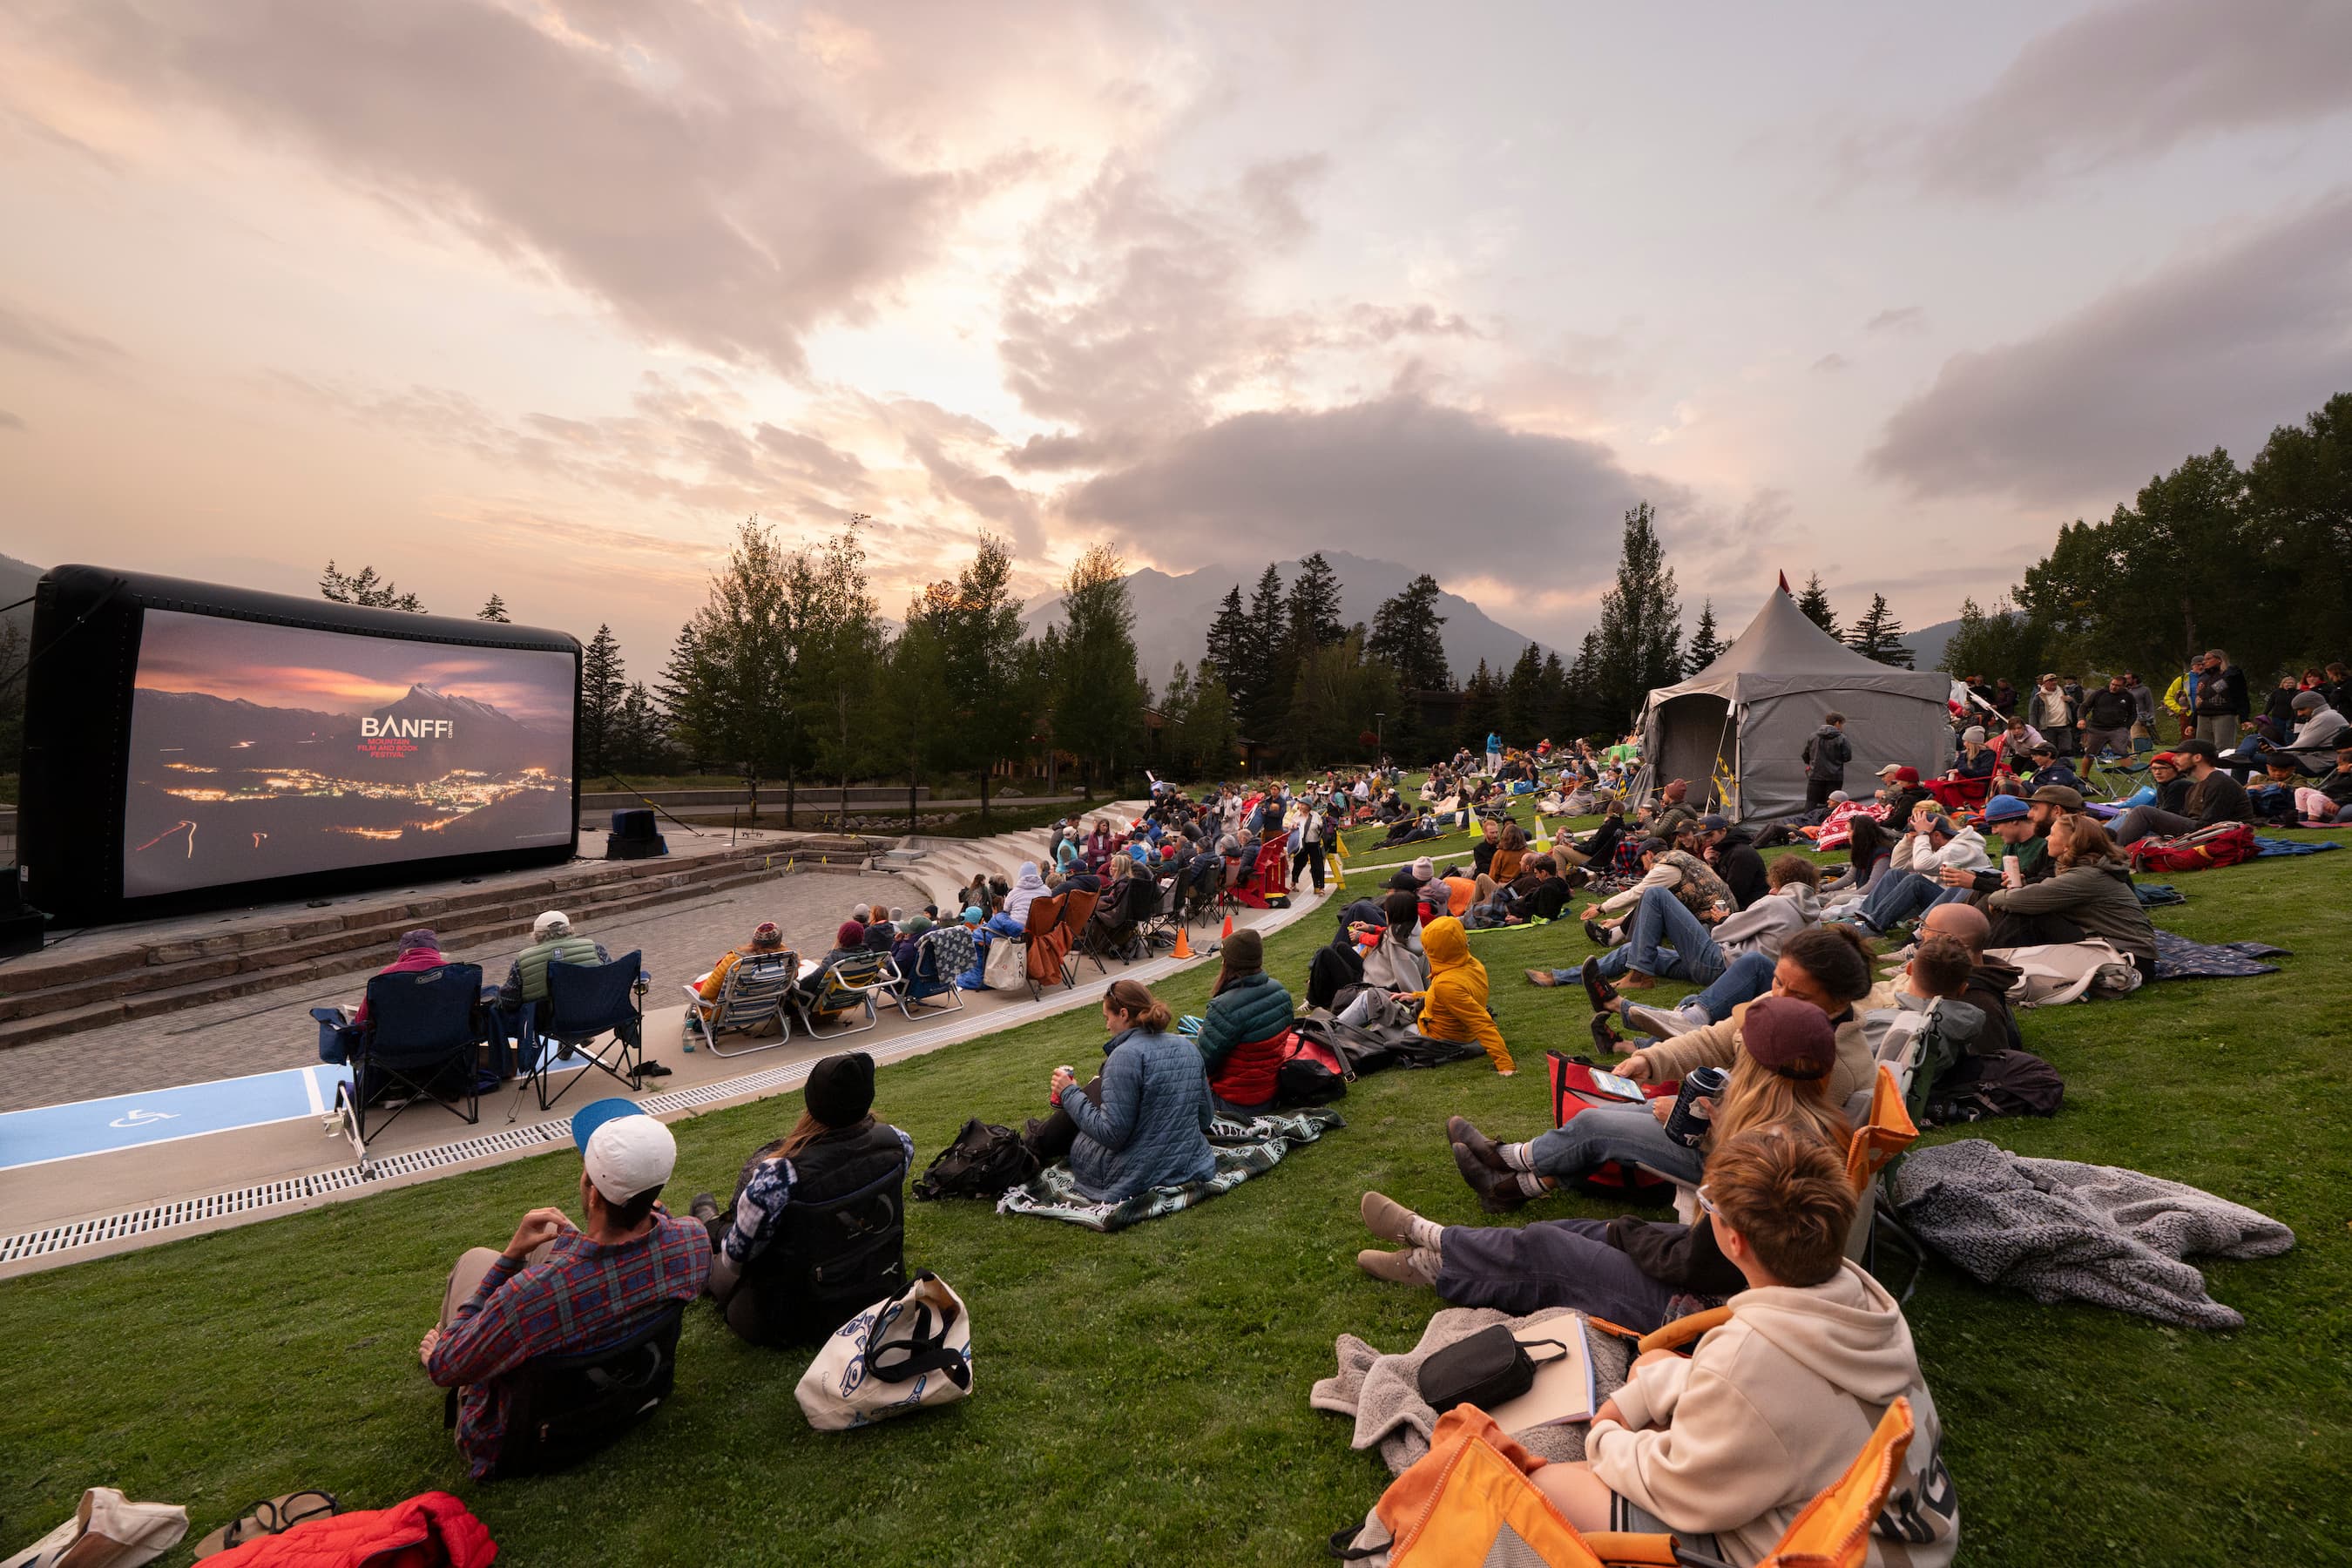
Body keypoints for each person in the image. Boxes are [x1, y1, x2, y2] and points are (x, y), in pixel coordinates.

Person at [1526, 1128, 1957, 1565]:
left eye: (1709, 1201)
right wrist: (1642, 1392)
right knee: (1652, 1366)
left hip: (1825, 1550)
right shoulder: (1858, 1298)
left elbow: (1680, 1486)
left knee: (1544, 1487)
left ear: (1735, 1240)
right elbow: (1750, 1389)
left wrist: (1605, 1438)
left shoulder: (1747, 1359)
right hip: (1891, 1525)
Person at [1362, 996, 1848, 1315]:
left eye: (1741, 1054)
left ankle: (1433, 1252)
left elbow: (1699, 1264)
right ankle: (1474, 1212)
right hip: (1728, 1274)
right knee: (1572, 1231)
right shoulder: (1802, 1124)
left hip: (1708, 1308)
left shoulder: (1768, 1157)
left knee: (1551, 1251)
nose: (1731, 1055)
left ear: (1757, 1072)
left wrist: (1629, 1231)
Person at [1450, 926, 1889, 1206]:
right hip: (1715, 1120)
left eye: (1798, 994)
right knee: (1617, 1114)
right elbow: (1716, 1038)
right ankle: (1512, 1188)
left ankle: (1506, 1159)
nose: (1776, 996)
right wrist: (1649, 1059)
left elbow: (1779, 1154)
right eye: (1777, 981)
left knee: (1595, 1126)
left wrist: (1697, 1128)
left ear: (1838, 1003)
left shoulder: (1832, 1063)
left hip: (1735, 1170)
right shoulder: (1778, 1009)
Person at [421, 1098, 708, 1478]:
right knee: (554, 1242)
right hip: (632, 1397)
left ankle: (456, 1371)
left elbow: (446, 1367)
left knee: (476, 1259)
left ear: (592, 1193)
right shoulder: (693, 1241)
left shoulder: (530, 1296)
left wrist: (507, 1259)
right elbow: (660, 1231)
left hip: (521, 1441)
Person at [693, 1052, 911, 1345]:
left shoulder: (780, 1174)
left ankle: (705, 1223)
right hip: (876, 1288)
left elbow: (736, 1260)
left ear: (812, 1102)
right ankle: (709, 1220)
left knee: (717, 1254)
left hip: (796, 1318)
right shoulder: (899, 1143)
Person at [1588, 856, 1825, 1042]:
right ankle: (1564, 977)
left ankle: (1638, 974)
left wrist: (1723, 919)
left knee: (1656, 894)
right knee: (1641, 950)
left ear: (1778, 882)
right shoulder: (1814, 919)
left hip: (1721, 964)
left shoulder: (1776, 903)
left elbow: (1722, 933)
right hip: (1749, 976)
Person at [1031, 979, 1218, 1202]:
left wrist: (1069, 1092)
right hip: (1192, 1164)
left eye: (1107, 1018)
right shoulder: (1187, 1046)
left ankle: (1032, 1140)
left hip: (1136, 1174)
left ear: (1123, 1014)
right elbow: (1205, 1119)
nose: (1107, 1026)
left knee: (1081, 1128)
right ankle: (1036, 1134)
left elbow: (1112, 1135)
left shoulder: (1125, 1056)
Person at [1984, 814, 2157, 973]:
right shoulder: (2087, 869)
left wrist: (1995, 898)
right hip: (2111, 944)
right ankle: (1990, 961)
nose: (2046, 839)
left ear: (2069, 845)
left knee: (2025, 914)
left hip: (2128, 957)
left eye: (2052, 835)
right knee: (2025, 909)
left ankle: (1989, 966)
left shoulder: (2087, 876)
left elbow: (2022, 899)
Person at [1834, 808, 1989, 938]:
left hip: (1958, 903)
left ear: (1936, 835)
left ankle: (1874, 927)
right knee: (1894, 874)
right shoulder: (1937, 846)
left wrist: (1921, 835)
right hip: (1942, 897)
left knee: (1915, 881)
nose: (1916, 843)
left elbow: (1922, 865)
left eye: (1918, 839)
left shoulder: (1959, 849)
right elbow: (1897, 865)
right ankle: (1864, 918)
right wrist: (1908, 839)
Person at [1192, 929, 1296, 1117]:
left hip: (1232, 1103)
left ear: (1228, 963)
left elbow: (1202, 1065)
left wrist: (1202, 1035)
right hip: (1271, 1095)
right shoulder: (1281, 992)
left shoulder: (1224, 1007)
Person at [1396, 915, 1514, 1075]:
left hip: (1436, 1039)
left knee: (1373, 1002)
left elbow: (1481, 1022)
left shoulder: (1446, 984)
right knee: (1381, 1001)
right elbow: (1450, 995)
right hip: (1452, 1030)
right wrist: (1416, 996)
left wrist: (1505, 1065)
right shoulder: (1471, 964)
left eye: (1428, 948)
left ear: (1436, 950)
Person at [2108, 739, 2251, 845]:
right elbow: (2183, 815)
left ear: (2197, 757)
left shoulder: (2220, 783)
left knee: (2142, 812)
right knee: (2130, 814)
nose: (2174, 759)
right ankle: (2104, 847)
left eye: (2180, 755)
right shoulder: (2196, 787)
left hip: (2217, 834)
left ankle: (2112, 853)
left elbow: (2211, 824)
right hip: (2198, 829)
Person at [688, 921, 794, 1034]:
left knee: (701, 986)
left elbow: (706, 994)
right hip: (765, 1010)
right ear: (779, 941)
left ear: (754, 941)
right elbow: (790, 980)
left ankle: (698, 1018)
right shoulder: (788, 959)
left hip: (729, 1014)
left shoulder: (735, 960)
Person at [2227, 688, 2349, 777]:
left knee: (2251, 743)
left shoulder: (2325, 718)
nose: (2299, 714)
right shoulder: (2327, 716)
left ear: (2314, 705)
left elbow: (2300, 747)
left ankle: (2238, 760)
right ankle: (2239, 757)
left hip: (2311, 763)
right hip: (2308, 758)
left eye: (2301, 709)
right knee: (2245, 758)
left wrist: (2276, 751)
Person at [354, 928, 450, 1030]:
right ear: (435, 949)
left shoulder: (384, 977)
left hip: (398, 1041)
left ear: (403, 952)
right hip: (451, 1039)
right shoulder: (456, 972)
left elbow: (361, 1021)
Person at [1700, 814, 1767, 910]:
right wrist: (1712, 864)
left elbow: (1734, 892)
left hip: (1751, 909)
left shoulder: (1740, 854)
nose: (1707, 840)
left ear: (1723, 831)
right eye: (1704, 837)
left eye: (1710, 835)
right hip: (1744, 906)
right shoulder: (1725, 851)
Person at [2191, 649, 2248, 751]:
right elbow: (2199, 701)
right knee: (2203, 749)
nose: (2204, 662)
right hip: (2203, 716)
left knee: (2223, 749)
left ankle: (2223, 767)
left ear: (2219, 660)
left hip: (2223, 715)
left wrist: (2244, 718)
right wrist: (2193, 723)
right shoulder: (2204, 677)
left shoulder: (2231, 674)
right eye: (2204, 659)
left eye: (2208, 659)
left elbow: (2241, 696)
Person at [2077, 675, 2138, 760]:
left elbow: (2133, 714)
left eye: (2117, 686)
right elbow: (2084, 706)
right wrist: (2081, 719)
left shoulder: (2128, 696)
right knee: (2090, 755)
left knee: (2123, 754)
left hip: (2118, 729)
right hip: (2097, 729)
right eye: (2112, 684)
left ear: (2123, 686)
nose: (2113, 687)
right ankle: (2084, 774)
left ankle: (2129, 773)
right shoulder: (2099, 693)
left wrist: (2127, 727)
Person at [1801, 712, 1851, 812]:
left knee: (1811, 802)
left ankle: (1805, 824)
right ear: (1837, 723)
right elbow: (1847, 757)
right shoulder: (1842, 738)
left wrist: (1812, 765)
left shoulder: (1813, 736)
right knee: (1833, 804)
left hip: (1815, 775)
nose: (1842, 727)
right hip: (1835, 777)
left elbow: (1805, 755)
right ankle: (1828, 826)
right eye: (1842, 724)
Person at [2029, 672, 2077, 758]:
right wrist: (2034, 729)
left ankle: (2066, 768)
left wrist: (2071, 700)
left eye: (2055, 680)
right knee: (2050, 750)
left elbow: (2076, 706)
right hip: (2047, 728)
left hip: (2064, 726)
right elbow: (2033, 713)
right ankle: (2052, 769)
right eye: (2051, 681)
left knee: (2066, 749)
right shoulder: (2039, 696)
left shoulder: (2063, 691)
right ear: (2045, 683)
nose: (2054, 682)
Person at [1004, 861, 1050, 926]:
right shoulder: (1047, 891)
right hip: (1040, 928)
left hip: (1018, 929)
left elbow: (1005, 910)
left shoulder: (1013, 893)